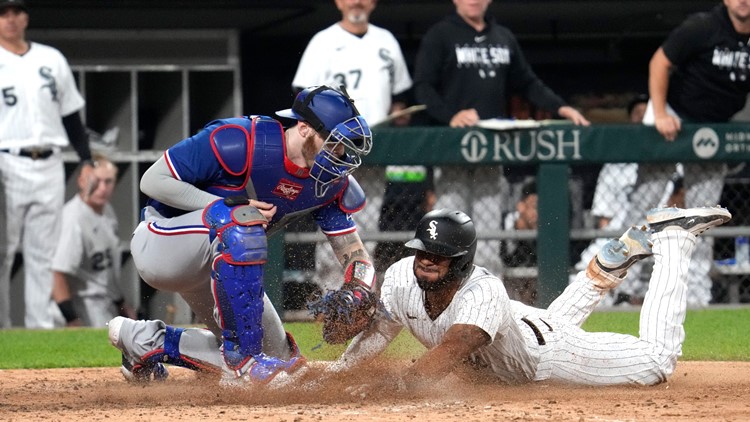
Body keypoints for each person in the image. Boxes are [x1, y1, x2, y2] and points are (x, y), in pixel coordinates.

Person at [107, 85, 376, 386]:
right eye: (332, 142)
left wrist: (360, 287)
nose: (339, 153)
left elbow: (352, 249)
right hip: (164, 242)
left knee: (286, 367)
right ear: (303, 129)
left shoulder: (328, 182)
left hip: (222, 263)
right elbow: (153, 180)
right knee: (242, 221)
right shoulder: (241, 139)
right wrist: (228, 205)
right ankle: (242, 362)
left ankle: (147, 341)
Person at [324, 205, 731, 389]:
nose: (426, 261)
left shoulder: (482, 291)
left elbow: (452, 350)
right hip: (519, 330)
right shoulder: (399, 277)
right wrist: (344, 370)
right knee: (538, 331)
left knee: (657, 362)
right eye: (422, 252)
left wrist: (391, 386)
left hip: (550, 356)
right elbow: (381, 330)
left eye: (439, 255)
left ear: (461, 261)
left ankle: (675, 240)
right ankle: (607, 266)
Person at [412, 0, 589, 275]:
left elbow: (526, 81)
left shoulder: (502, 37)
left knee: (489, 223)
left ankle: (485, 286)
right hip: (452, 148)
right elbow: (423, 87)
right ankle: (444, 285)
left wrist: (560, 106)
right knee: (448, 220)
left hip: (492, 148)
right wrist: (451, 115)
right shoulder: (441, 34)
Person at [289, 0, 425, 289]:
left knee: (369, 219)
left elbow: (400, 93)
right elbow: (303, 95)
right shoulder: (323, 41)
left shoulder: (385, 40)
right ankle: (330, 289)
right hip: (333, 147)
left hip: (372, 143)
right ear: (338, 2)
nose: (357, 2)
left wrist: (398, 115)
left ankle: (360, 290)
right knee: (332, 214)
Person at [632, 0, 750, 306]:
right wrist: (659, 113)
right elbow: (660, 62)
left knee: (703, 217)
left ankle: (696, 296)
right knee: (643, 206)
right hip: (672, 117)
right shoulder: (704, 26)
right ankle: (619, 286)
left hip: (713, 128)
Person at [0, 0, 94, 329]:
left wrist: (85, 158)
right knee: (2, 250)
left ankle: (39, 328)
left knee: (42, 254)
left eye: (16, 12)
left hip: (50, 162)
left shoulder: (50, 58)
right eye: (3, 13)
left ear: (25, 17)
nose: (10, 19)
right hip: (6, 162)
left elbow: (70, 114)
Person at [51, 154, 136, 327]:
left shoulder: (106, 211)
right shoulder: (74, 219)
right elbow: (57, 275)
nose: (102, 188)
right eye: (96, 181)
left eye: (108, 181)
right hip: (82, 309)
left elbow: (105, 271)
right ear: (82, 181)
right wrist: (72, 319)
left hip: (104, 306)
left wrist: (121, 303)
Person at [500, 180, 538, 304]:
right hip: (505, 282)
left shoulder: (546, 227)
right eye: (535, 207)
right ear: (521, 206)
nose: (538, 214)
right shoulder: (504, 223)